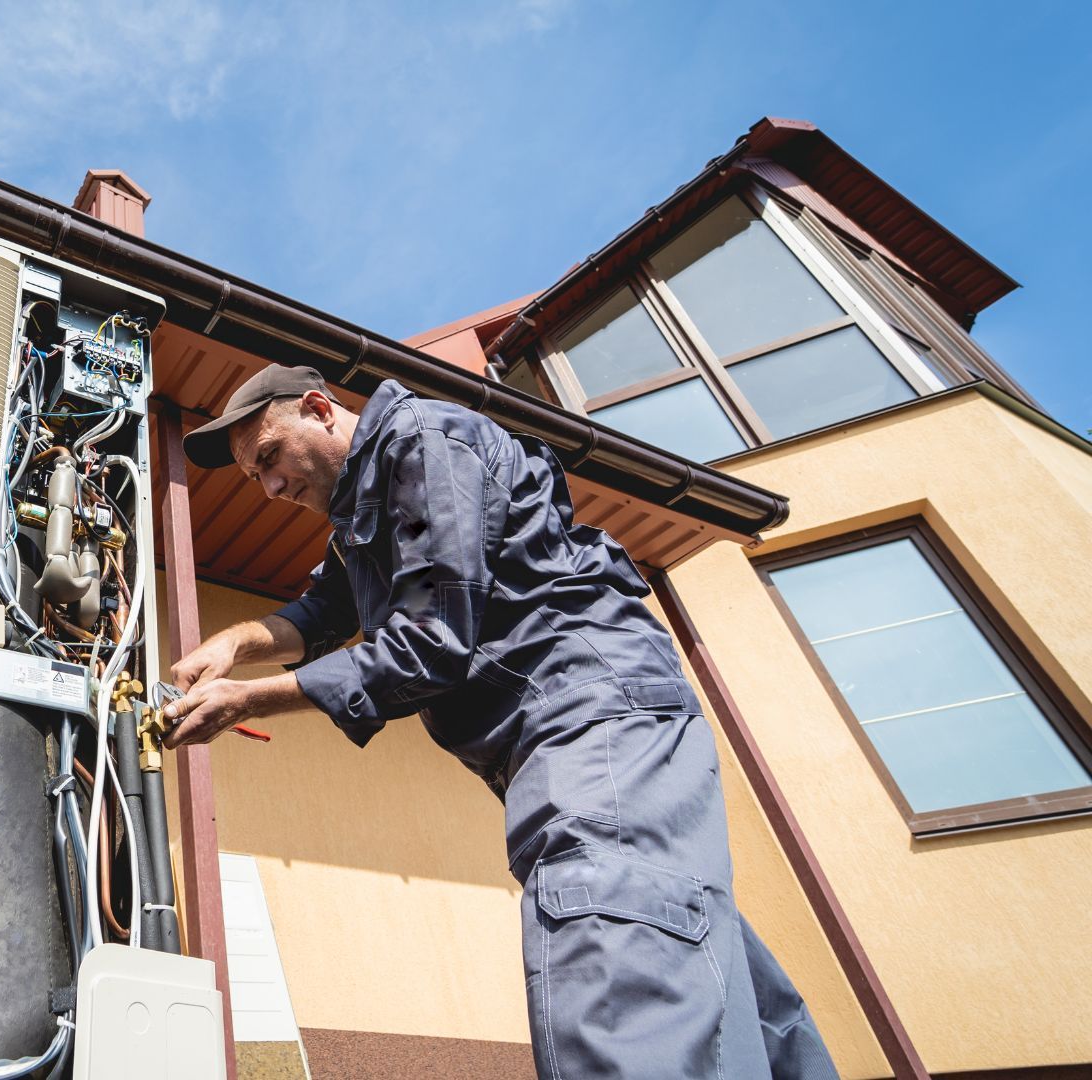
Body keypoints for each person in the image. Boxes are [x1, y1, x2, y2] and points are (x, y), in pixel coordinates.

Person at [161, 364, 838, 1079]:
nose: (269, 488)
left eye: (269, 457)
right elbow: (323, 612)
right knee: (703, 967)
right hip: (580, 734)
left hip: (592, 715)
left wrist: (251, 698)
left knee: (614, 961)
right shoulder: (367, 514)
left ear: (321, 410)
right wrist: (237, 641)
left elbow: (430, 642)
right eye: (252, 479)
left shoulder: (422, 443)